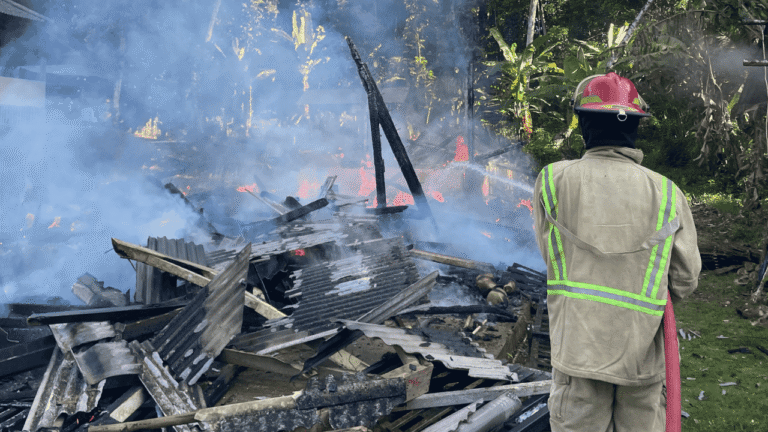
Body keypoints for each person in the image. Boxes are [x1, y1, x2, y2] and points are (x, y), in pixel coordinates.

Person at [532, 72, 701, 432]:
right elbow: (685, 281)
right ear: (635, 128)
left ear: (583, 125)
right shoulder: (668, 193)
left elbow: (551, 254)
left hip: (577, 354)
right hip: (641, 359)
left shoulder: (552, 180)